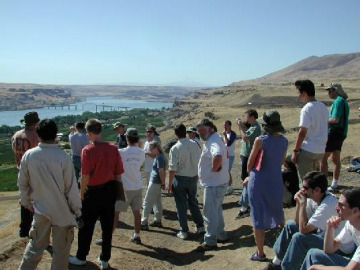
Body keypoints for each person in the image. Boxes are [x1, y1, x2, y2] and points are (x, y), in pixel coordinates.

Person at [17, 119, 82, 270]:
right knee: (61, 252)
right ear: (55, 135)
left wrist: (27, 203)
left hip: (40, 209)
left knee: (35, 247)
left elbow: (22, 184)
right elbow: (71, 189)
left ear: (38, 135)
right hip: (63, 212)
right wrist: (77, 210)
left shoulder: (29, 156)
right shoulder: (63, 157)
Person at [264, 171, 353, 270]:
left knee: (300, 238)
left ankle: (287, 268)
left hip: (339, 248)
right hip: (323, 237)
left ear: (317, 190)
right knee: (290, 225)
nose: (302, 190)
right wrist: (298, 203)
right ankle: (277, 262)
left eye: (305, 188)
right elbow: (297, 222)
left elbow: (303, 230)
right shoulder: (313, 198)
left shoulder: (327, 205)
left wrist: (302, 205)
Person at [69, 119, 124, 270]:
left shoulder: (87, 150)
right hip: (109, 191)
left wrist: (81, 194)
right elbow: (118, 173)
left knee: (86, 227)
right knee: (107, 228)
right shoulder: (113, 149)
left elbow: (85, 176)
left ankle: (81, 257)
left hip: (92, 193)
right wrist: (118, 193)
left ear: (90, 133)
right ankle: (105, 259)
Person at [247, 110, 288, 261]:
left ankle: (260, 252)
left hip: (259, 182)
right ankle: (286, 240)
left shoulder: (260, 140)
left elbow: (249, 165)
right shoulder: (284, 141)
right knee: (278, 211)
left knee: (258, 216)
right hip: (275, 180)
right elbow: (282, 161)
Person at [300, 188, 360, 270]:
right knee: (313, 254)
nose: (336, 208)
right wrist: (329, 227)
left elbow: (350, 269)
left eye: (341, 205)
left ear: (355, 211)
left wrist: (319, 267)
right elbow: (329, 249)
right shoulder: (350, 224)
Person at [195, 119, 229, 252]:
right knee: (216, 209)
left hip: (214, 184)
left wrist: (214, 169)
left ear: (211, 129)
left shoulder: (214, 141)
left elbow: (218, 156)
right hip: (217, 182)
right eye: (199, 131)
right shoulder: (214, 139)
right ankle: (221, 234)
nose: (201, 133)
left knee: (209, 212)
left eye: (203, 130)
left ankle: (210, 241)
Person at [168, 124, 204, 240]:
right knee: (193, 202)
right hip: (193, 177)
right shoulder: (195, 144)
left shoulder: (175, 148)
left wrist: (169, 184)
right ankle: (200, 226)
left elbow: (172, 168)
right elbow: (199, 160)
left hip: (180, 178)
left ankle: (183, 230)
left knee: (181, 205)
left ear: (176, 134)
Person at [292, 80, 328, 180]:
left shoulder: (306, 109)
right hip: (320, 150)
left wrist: (295, 150)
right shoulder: (323, 107)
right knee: (314, 181)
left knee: (305, 182)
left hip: (308, 149)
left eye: (299, 93)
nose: (298, 96)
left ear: (304, 93)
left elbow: (302, 131)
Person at [11, 111, 40, 238]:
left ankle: (23, 230)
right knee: (35, 201)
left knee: (24, 200)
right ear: (35, 123)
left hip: (20, 169)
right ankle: (34, 230)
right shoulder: (35, 136)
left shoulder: (16, 135)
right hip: (32, 172)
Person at [116, 128, 145, 244]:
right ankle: (137, 235)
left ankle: (107, 237)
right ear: (137, 139)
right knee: (136, 212)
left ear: (127, 138)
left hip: (125, 187)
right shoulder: (142, 152)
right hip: (137, 185)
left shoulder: (121, 152)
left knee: (115, 213)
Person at [320, 83, 350, 192]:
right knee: (335, 158)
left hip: (333, 132)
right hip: (342, 133)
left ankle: (323, 185)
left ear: (335, 91)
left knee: (323, 158)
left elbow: (335, 119)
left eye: (330, 91)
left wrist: (322, 122)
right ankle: (334, 184)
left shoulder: (338, 101)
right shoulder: (344, 102)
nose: (328, 93)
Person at [236, 109, 261, 219]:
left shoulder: (255, 127)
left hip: (249, 156)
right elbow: (247, 132)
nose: (246, 118)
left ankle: (246, 205)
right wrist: (241, 126)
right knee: (246, 179)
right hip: (246, 155)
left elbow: (246, 138)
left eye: (247, 116)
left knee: (246, 180)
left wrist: (241, 127)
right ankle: (247, 203)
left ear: (252, 117)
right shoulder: (253, 127)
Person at [141, 141, 166, 230]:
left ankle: (143, 222)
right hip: (157, 182)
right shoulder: (159, 156)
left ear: (156, 148)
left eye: (152, 148)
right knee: (157, 201)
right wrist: (162, 183)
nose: (150, 150)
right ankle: (158, 220)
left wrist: (163, 183)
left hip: (155, 182)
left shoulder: (159, 157)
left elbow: (161, 171)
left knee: (147, 201)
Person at [222, 120, 237, 194]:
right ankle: (227, 186)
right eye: (223, 125)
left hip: (230, 155)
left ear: (230, 125)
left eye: (225, 125)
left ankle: (230, 187)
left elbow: (228, 144)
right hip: (225, 155)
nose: (224, 126)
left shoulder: (233, 134)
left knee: (227, 171)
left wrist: (224, 136)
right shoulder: (225, 134)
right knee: (225, 171)